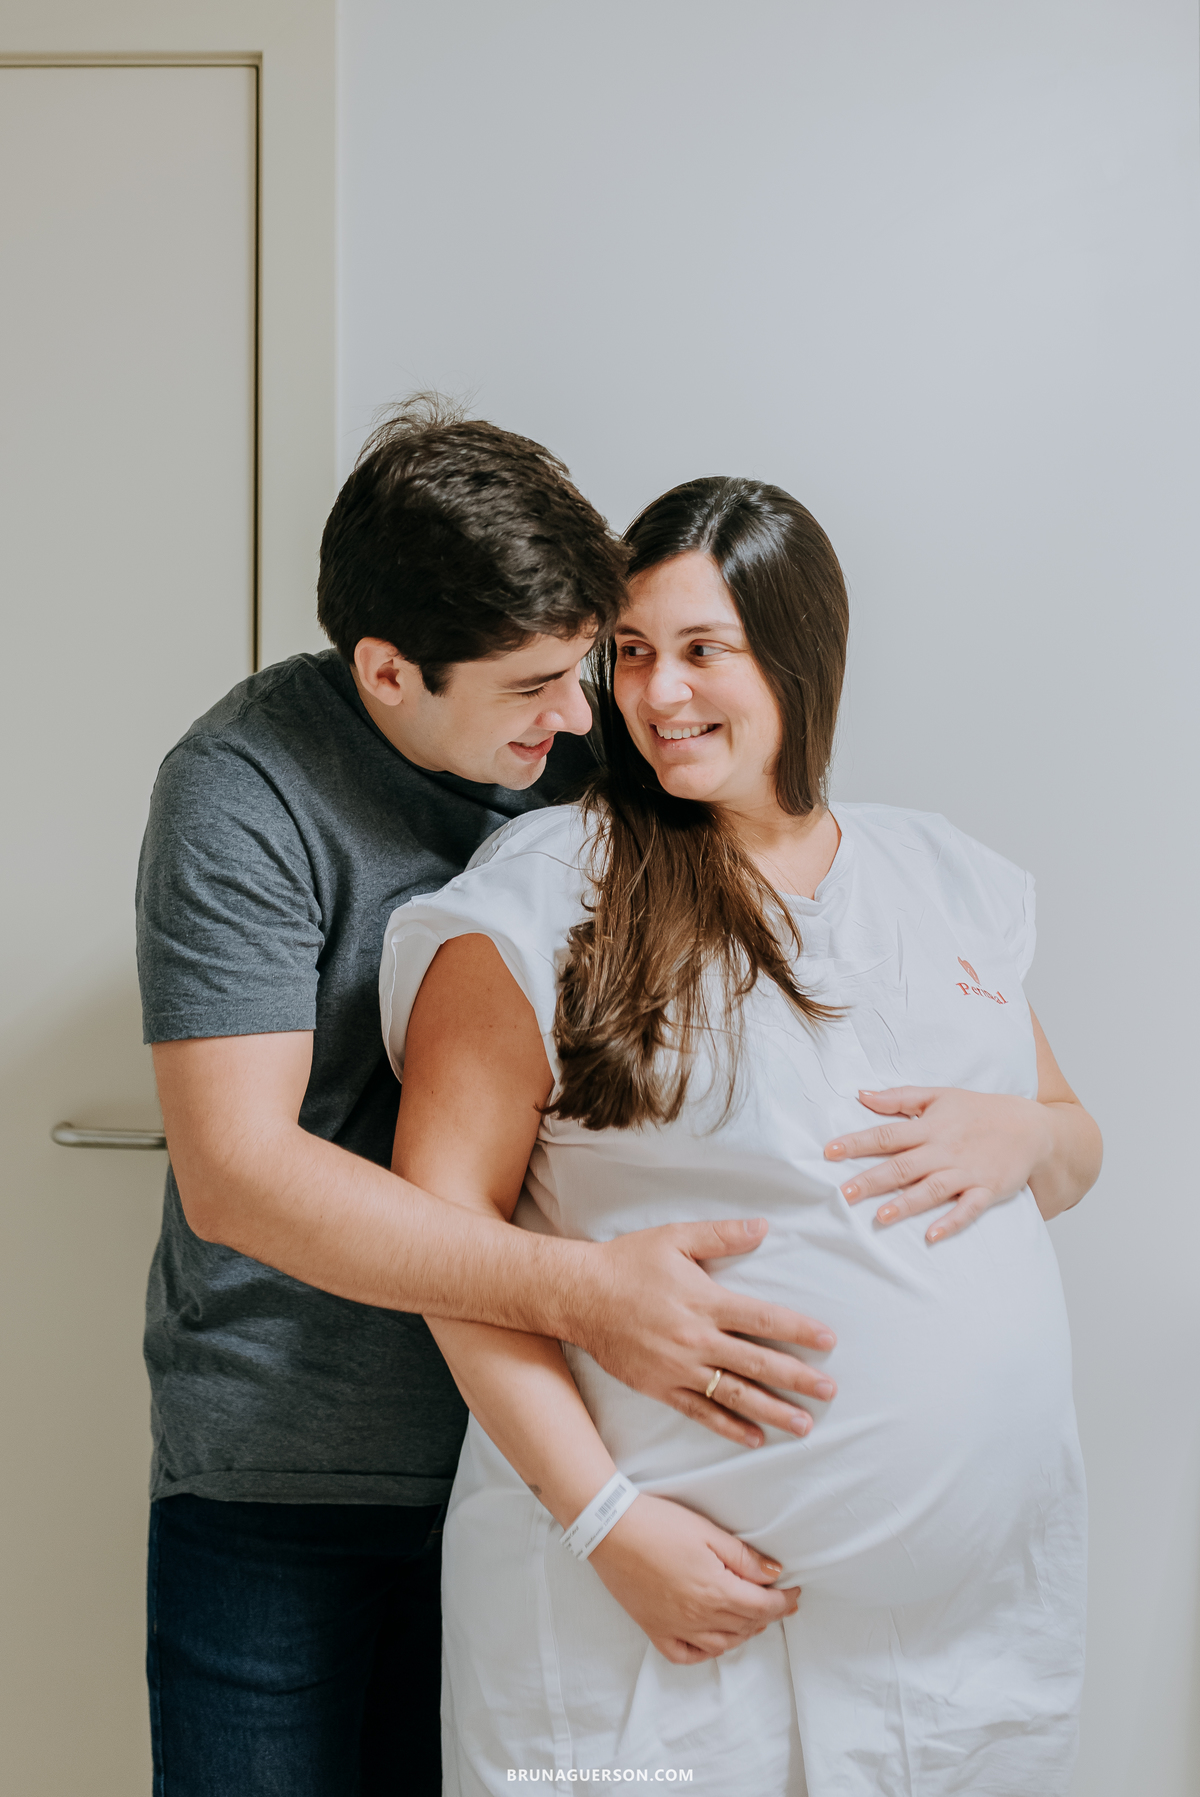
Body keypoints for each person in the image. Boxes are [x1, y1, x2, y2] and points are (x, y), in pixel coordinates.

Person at [137, 406, 840, 1797]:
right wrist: (586, 1292)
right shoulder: (244, 789)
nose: (585, 716)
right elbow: (239, 1171)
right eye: (534, 685)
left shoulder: (584, 747)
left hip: (539, 1475)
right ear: (388, 671)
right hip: (290, 1477)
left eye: (587, 665)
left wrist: (1037, 1129)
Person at [382, 475, 1102, 1796]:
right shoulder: (539, 903)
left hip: (953, 1652)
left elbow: (1073, 1145)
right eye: (635, 654)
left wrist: (1027, 1132)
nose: (656, 696)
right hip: (649, 1641)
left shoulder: (941, 875)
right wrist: (605, 1520)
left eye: (703, 650)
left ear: (801, 650)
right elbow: (433, 1245)